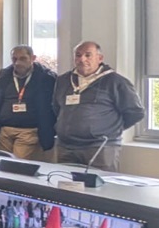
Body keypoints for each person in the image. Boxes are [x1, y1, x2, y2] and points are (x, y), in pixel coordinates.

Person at [52, 41, 145, 171]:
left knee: (100, 183)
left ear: (100, 58)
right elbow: (56, 108)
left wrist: (109, 129)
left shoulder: (115, 81)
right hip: (66, 146)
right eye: (78, 55)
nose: (82, 59)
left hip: (100, 147)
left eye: (88, 55)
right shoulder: (63, 80)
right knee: (65, 182)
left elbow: (135, 112)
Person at [0, 45, 58, 160]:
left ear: (33, 58)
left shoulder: (46, 78)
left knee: (17, 164)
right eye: (14, 59)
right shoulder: (3, 77)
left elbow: (52, 105)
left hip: (28, 131)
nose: (17, 63)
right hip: (5, 130)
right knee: (4, 164)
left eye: (22, 58)